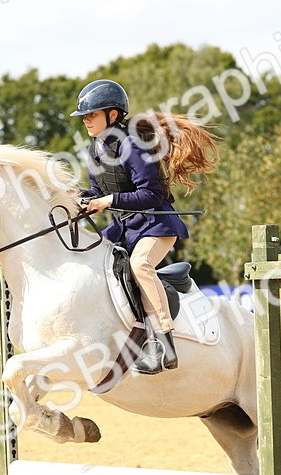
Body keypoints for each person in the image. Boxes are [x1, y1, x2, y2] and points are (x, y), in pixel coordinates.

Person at [72, 79, 218, 375]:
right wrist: (76, 198)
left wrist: (108, 200)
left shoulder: (133, 145)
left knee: (140, 265)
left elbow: (150, 194)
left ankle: (165, 343)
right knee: (89, 259)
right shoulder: (95, 149)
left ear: (113, 115)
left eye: (92, 114)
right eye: (84, 116)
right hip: (124, 228)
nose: (86, 120)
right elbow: (96, 192)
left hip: (156, 224)